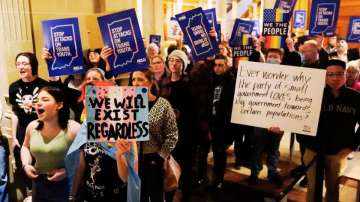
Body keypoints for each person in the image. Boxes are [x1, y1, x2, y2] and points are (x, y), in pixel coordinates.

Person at [70, 68, 135, 202]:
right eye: (86, 99)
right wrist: (73, 195)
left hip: (115, 196)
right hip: (89, 195)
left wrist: (119, 155)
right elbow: (81, 165)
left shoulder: (124, 130)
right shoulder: (84, 129)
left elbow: (127, 178)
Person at [302, 59, 360, 202]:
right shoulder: (312, 95)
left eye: (339, 74)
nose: (335, 78)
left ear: (346, 75)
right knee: (313, 186)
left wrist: (352, 146)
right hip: (313, 149)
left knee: (333, 187)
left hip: (338, 152)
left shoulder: (355, 97)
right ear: (325, 76)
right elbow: (298, 118)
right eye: (330, 74)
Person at [20, 86, 81, 201]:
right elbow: (25, 147)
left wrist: (66, 170)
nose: (38, 103)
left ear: (59, 105)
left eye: (45, 99)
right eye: (37, 100)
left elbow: (85, 157)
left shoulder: (73, 128)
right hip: (38, 183)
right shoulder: (32, 126)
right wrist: (26, 165)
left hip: (65, 184)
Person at [129, 69, 178, 202]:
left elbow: (172, 135)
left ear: (150, 83)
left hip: (154, 159)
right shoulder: (127, 103)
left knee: (156, 195)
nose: (136, 83)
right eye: (133, 80)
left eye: (140, 79)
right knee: (139, 196)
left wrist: (160, 157)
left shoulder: (162, 104)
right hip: (133, 158)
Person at [8, 52, 49, 200]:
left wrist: (36, 105)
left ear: (33, 65)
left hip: (41, 130)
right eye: (18, 64)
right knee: (24, 164)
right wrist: (13, 137)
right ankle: (30, 194)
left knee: (41, 162)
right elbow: (14, 113)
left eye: (25, 63)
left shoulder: (44, 85)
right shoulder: (13, 87)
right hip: (22, 131)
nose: (21, 66)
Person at [248, 49, 284, 186]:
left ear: (281, 60)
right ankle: (254, 173)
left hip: (278, 120)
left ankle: (272, 172)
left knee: (274, 148)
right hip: (260, 119)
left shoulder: (288, 75)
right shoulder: (258, 74)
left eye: (275, 57)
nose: (272, 59)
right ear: (265, 58)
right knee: (257, 147)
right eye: (270, 57)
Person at [209, 54, 236, 189]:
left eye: (221, 65)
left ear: (227, 66)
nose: (217, 68)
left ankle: (218, 180)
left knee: (220, 154)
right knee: (215, 152)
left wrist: (230, 133)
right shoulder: (211, 80)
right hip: (211, 123)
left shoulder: (232, 82)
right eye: (216, 65)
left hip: (224, 125)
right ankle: (214, 178)